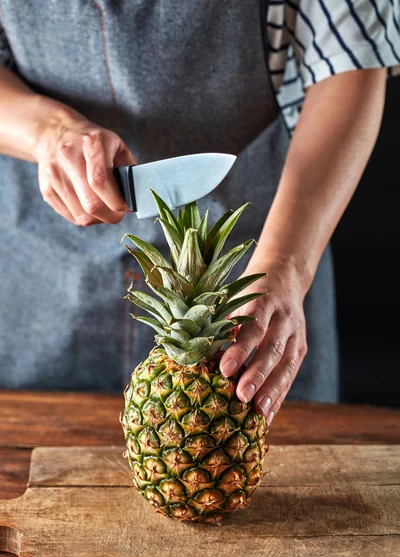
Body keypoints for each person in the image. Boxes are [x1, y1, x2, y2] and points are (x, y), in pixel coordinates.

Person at [0, 1, 399, 427]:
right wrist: (47, 131)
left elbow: (351, 60)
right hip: (41, 286)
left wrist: (287, 265)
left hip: (251, 287)